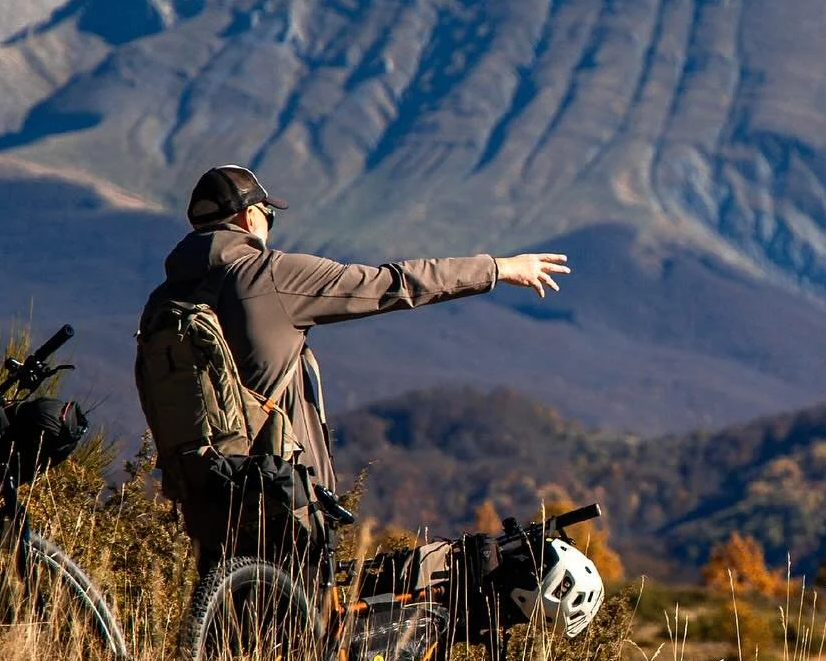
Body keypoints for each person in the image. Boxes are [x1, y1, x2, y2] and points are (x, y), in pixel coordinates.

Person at [139, 163, 571, 566]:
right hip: (278, 490)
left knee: (227, 630)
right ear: (250, 218)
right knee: (301, 635)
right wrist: (496, 268)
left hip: (201, 492)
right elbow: (391, 284)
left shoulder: (162, 300)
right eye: (269, 217)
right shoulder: (268, 275)